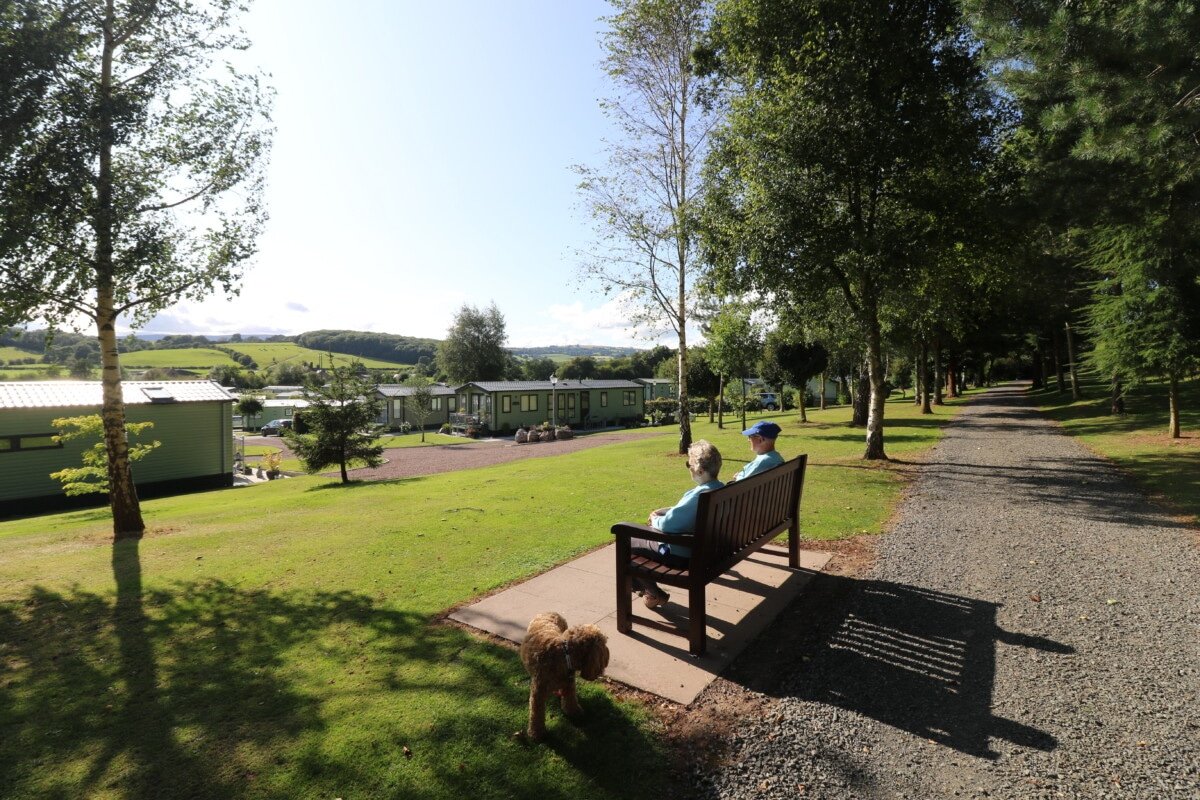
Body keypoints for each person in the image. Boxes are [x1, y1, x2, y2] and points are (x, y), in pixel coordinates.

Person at [631, 439, 724, 609]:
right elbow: (685, 512)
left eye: (689, 464)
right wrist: (667, 510)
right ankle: (650, 592)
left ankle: (652, 592)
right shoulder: (719, 488)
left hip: (680, 552)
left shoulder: (701, 496)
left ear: (700, 470)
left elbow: (668, 525)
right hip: (711, 551)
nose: (688, 468)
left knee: (627, 541)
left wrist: (655, 519)